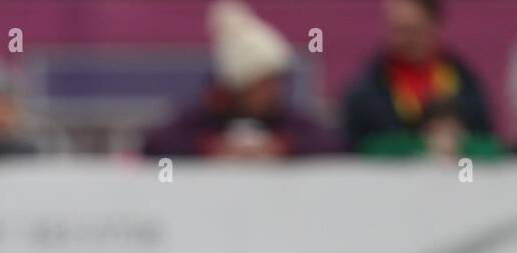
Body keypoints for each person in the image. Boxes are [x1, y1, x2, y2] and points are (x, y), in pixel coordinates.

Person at [144, 1, 340, 159]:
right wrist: (208, 148)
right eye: (263, 84)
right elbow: (156, 146)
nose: (273, 91)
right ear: (240, 86)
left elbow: (333, 145)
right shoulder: (203, 118)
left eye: (275, 81)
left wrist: (285, 146)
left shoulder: (286, 120)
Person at [343, 0, 502, 157]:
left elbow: (488, 141)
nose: (400, 39)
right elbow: (357, 146)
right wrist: (423, 143)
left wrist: (461, 142)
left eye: (411, 31)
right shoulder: (367, 91)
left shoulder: (463, 82)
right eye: (395, 30)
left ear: (435, 26)